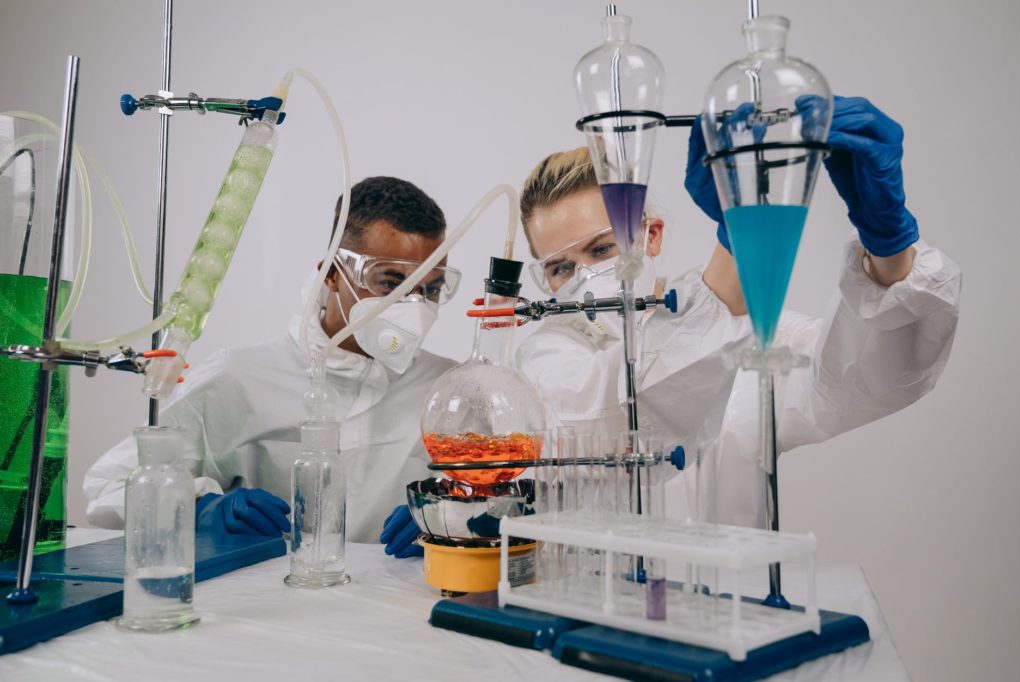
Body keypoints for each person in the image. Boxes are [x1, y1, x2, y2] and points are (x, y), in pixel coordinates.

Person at [516, 96, 962, 527]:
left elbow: (870, 377)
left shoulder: (754, 329)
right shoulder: (545, 354)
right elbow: (615, 416)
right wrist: (738, 238)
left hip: (733, 596)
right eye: (559, 267)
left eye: (601, 248)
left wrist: (889, 245)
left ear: (650, 236)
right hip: (595, 598)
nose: (585, 276)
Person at [84, 176, 459, 551]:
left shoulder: (450, 390)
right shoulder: (240, 378)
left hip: (398, 603)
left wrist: (455, 515)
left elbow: (505, 504)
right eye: (389, 282)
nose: (414, 308)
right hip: (265, 603)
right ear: (331, 273)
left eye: (432, 289)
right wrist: (200, 508)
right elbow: (110, 488)